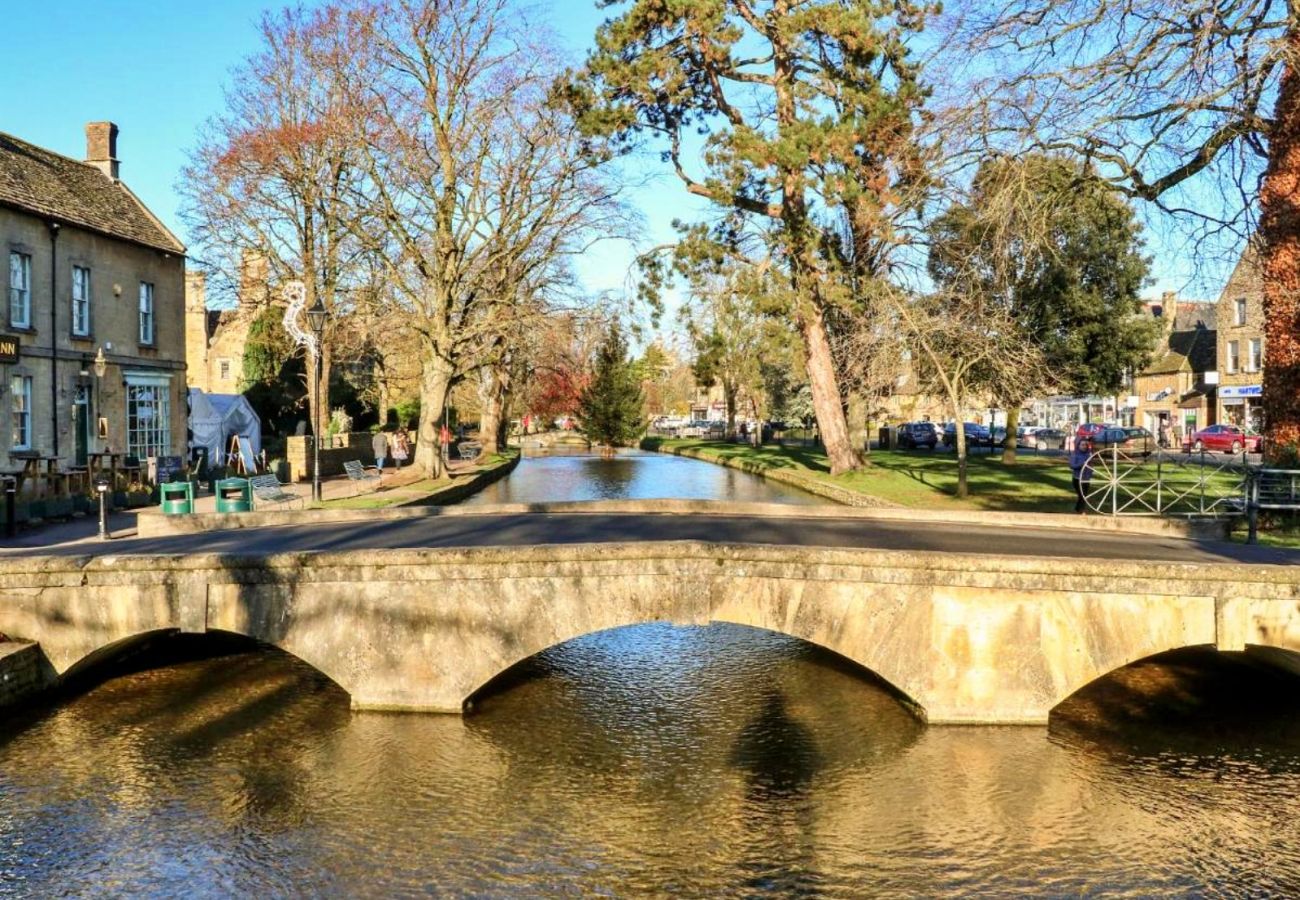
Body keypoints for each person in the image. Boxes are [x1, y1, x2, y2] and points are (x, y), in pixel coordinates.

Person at [1069, 438, 1094, 514]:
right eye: (1082, 445)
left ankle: (1077, 509)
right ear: (1078, 445)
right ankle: (1081, 511)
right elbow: (1072, 465)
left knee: (1083, 496)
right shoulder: (1075, 454)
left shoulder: (1088, 454)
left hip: (1086, 479)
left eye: (1086, 445)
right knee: (1082, 495)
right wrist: (1081, 465)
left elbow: (1091, 465)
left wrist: (1090, 472)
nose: (1084, 446)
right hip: (1077, 479)